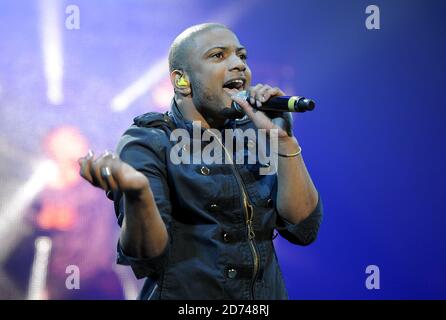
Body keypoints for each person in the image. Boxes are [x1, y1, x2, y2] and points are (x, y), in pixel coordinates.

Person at [78, 23, 323, 300]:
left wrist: (284, 143)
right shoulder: (148, 142)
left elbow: (303, 228)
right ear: (182, 81)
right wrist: (139, 195)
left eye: (241, 56)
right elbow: (147, 255)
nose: (238, 65)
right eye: (218, 55)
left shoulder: (256, 133)